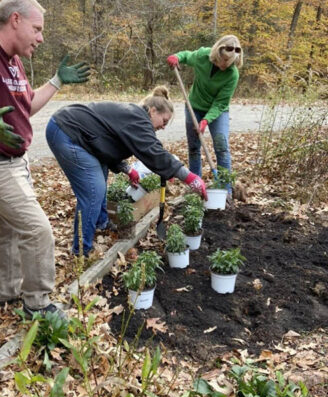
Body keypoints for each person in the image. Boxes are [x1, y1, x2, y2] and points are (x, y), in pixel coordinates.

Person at [0, 0, 90, 319]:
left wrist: (56, 81)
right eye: (36, 29)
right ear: (15, 20)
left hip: (13, 163)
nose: (40, 38)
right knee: (38, 230)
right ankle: (38, 305)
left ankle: (8, 294)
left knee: (9, 229)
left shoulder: (14, 62)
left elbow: (26, 106)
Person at [45, 86, 207, 257]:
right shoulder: (138, 119)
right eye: (164, 121)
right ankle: (80, 252)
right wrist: (189, 177)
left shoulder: (135, 117)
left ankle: (101, 223)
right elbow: (153, 151)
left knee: (101, 174)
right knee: (94, 191)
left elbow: (107, 144)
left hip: (77, 133)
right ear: (152, 111)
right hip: (67, 131)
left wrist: (127, 169)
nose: (164, 127)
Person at [167, 34, 243, 194]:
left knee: (222, 147)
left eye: (229, 63)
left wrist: (206, 120)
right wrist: (177, 57)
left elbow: (221, 102)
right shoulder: (203, 56)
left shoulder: (232, 74)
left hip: (218, 110)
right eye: (223, 60)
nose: (225, 65)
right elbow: (187, 56)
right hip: (194, 106)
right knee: (194, 148)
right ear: (218, 52)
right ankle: (196, 186)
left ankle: (225, 190)